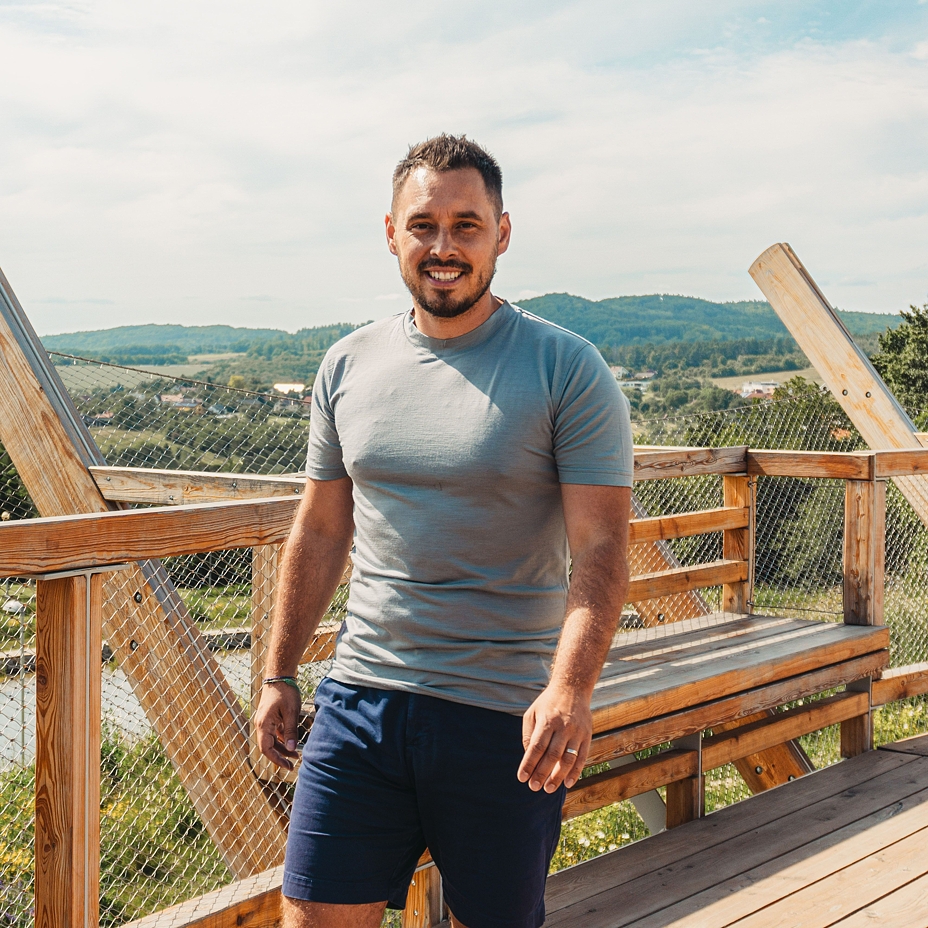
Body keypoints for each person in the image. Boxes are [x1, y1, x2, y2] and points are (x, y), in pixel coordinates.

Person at [254, 134, 633, 928]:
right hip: (360, 699)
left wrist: (570, 689)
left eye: (467, 224)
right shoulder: (347, 365)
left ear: (502, 231)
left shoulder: (566, 367)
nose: (444, 246)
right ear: (391, 233)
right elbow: (321, 529)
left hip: (503, 715)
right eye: (424, 224)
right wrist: (278, 673)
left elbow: (600, 548)